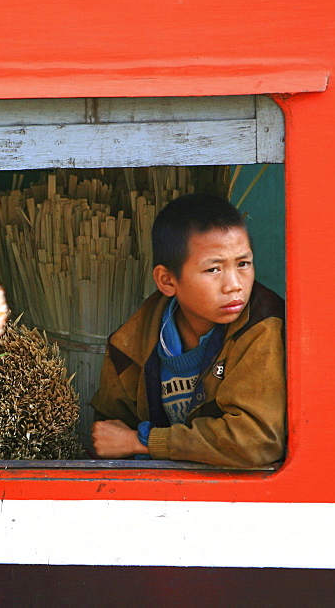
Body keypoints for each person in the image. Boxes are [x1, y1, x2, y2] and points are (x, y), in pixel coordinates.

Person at [90, 193, 286, 467]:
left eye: (243, 264)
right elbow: (108, 436)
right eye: (214, 269)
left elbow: (255, 441)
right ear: (167, 281)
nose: (234, 285)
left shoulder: (262, 327)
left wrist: (143, 442)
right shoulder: (129, 345)